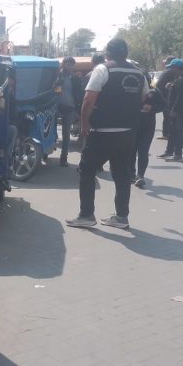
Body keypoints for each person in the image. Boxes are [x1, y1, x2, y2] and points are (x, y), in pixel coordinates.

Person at [66, 38, 148, 229]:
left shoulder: (103, 69)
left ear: (107, 54)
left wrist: (84, 122)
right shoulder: (139, 74)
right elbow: (144, 98)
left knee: (86, 171)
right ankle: (121, 217)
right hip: (127, 134)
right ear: (126, 53)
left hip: (101, 132)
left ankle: (86, 215)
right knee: (122, 174)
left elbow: (89, 99)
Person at [131, 74, 165, 188]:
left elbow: (164, 105)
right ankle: (131, 173)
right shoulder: (131, 90)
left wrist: (152, 108)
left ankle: (140, 176)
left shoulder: (155, 92)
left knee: (143, 151)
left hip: (147, 126)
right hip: (132, 125)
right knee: (131, 150)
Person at [158, 58, 183, 162]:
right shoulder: (178, 78)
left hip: (179, 111)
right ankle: (169, 151)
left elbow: (180, 98)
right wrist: (170, 87)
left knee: (178, 132)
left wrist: (174, 111)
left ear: (176, 68)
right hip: (176, 110)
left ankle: (178, 154)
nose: (170, 70)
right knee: (172, 131)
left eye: (171, 68)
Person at [54, 57, 82, 166]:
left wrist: (77, 109)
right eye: (68, 64)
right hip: (56, 107)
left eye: (72, 64)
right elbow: (55, 91)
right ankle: (45, 153)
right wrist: (58, 84)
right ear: (64, 64)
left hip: (70, 108)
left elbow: (78, 95)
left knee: (66, 134)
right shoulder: (57, 76)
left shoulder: (75, 79)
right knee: (50, 131)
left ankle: (63, 157)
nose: (70, 66)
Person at [156, 56, 176, 140]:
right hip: (176, 98)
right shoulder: (179, 72)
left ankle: (166, 134)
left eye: (166, 62)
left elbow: (158, 85)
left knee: (167, 116)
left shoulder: (167, 72)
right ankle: (174, 133)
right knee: (173, 116)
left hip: (166, 97)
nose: (164, 64)